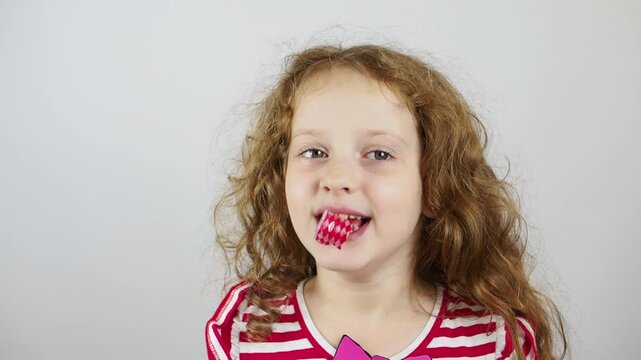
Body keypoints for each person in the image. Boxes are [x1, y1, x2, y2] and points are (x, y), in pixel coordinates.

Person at [206, 43, 567, 360]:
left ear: (432, 186)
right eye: (314, 151)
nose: (338, 179)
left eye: (378, 154)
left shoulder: (494, 338)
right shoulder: (244, 328)